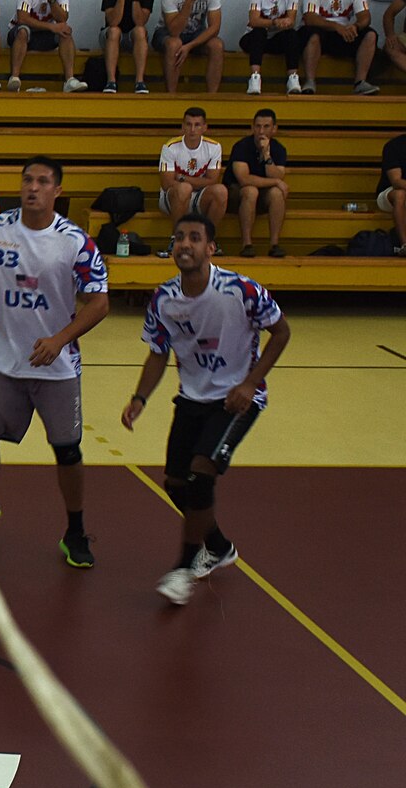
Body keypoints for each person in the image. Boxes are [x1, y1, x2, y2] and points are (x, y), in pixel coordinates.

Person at [0, 157, 109, 567]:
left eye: (43, 181)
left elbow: (100, 302)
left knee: (67, 451)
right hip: (3, 358)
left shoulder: (75, 241)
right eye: (27, 180)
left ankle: (75, 529)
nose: (33, 187)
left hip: (57, 366)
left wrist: (59, 339)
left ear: (57, 191)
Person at [121, 213, 290, 606]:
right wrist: (140, 398)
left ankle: (183, 569)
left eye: (195, 238)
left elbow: (281, 331)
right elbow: (158, 353)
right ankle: (218, 546)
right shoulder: (164, 298)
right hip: (192, 398)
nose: (185, 244)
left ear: (210, 248)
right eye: (179, 237)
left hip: (236, 400)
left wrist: (249, 383)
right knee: (176, 485)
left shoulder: (240, 289)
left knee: (200, 477)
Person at [298, 0, 378, 95]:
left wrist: (355, 26)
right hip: (323, 32)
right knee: (312, 34)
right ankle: (310, 82)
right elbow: (310, 18)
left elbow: (365, 16)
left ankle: (360, 82)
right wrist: (336, 27)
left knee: (370, 34)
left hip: (344, 32)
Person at [7, 0, 85, 93]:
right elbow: (22, 18)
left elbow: (62, 19)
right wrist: (52, 27)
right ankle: (14, 78)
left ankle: (69, 80)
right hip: (22, 34)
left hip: (46, 36)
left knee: (65, 32)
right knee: (23, 30)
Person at [155, 0, 224, 96]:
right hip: (166, 33)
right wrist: (188, 2)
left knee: (217, 45)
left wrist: (190, 46)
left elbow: (215, 28)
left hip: (196, 34)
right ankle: (171, 96)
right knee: (175, 43)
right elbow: (174, 31)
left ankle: (212, 96)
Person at [227, 107, 290, 258]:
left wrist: (266, 155)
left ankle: (274, 245)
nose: (261, 131)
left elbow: (278, 174)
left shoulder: (279, 149)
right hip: (235, 193)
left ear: (274, 129)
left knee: (277, 193)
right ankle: (247, 245)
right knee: (251, 190)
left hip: (261, 195)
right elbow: (244, 179)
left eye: (266, 126)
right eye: (258, 126)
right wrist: (275, 181)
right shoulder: (241, 146)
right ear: (252, 127)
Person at [242, 0, 305, 96]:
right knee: (259, 32)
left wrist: (285, 22)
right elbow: (254, 21)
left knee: (292, 35)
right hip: (254, 40)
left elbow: (291, 20)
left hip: (277, 39)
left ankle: (293, 78)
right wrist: (275, 22)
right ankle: (255, 78)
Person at [159, 106, 228, 232]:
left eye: (197, 125)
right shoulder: (170, 147)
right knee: (184, 189)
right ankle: (177, 238)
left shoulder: (214, 147)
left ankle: (208, 239)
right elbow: (166, 184)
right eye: (189, 124)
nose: (192, 130)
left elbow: (212, 181)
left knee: (221, 191)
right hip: (172, 198)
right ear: (183, 126)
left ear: (205, 127)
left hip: (199, 197)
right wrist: (191, 185)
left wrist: (182, 178)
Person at [99, 0, 154, 94]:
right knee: (114, 31)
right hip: (110, 37)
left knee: (140, 31)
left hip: (134, 37)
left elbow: (140, 21)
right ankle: (111, 81)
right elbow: (113, 21)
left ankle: (139, 82)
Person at [380, 129, 406, 252]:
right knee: (400, 194)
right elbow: (396, 181)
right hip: (390, 191)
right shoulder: (394, 146)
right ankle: (404, 244)